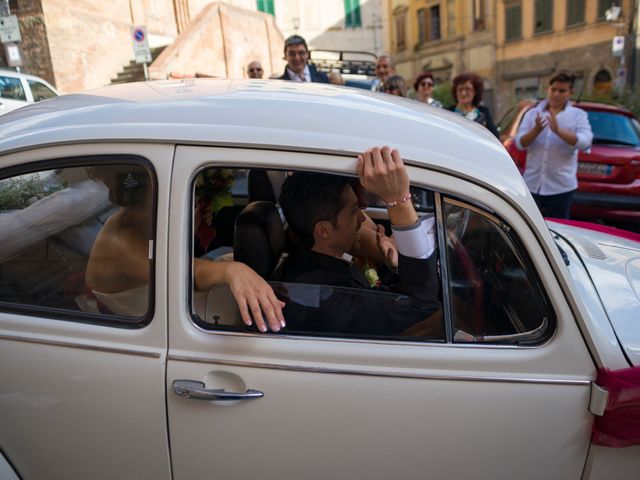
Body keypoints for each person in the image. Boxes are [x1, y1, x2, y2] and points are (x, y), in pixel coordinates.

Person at [85, 165, 285, 333]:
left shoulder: (143, 221)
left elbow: (167, 251)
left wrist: (192, 224)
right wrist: (234, 270)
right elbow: (185, 271)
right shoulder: (119, 240)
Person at [277, 146, 440, 337]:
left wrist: (393, 267)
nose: (362, 219)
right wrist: (398, 199)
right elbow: (420, 305)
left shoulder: (319, 265)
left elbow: (377, 299)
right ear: (324, 230)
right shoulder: (322, 294)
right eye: (354, 211)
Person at [515, 70, 593, 219]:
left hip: (561, 187)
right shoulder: (533, 113)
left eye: (562, 90)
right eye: (554, 89)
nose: (556, 94)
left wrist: (558, 131)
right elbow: (520, 143)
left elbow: (585, 142)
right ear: (548, 89)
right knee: (530, 227)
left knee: (559, 229)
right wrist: (536, 131)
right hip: (532, 184)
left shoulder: (578, 115)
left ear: (570, 92)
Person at [447, 72, 499, 137]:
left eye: (468, 89)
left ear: (475, 92)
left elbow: (495, 137)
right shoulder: (447, 112)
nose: (463, 93)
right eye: (460, 89)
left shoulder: (483, 113)